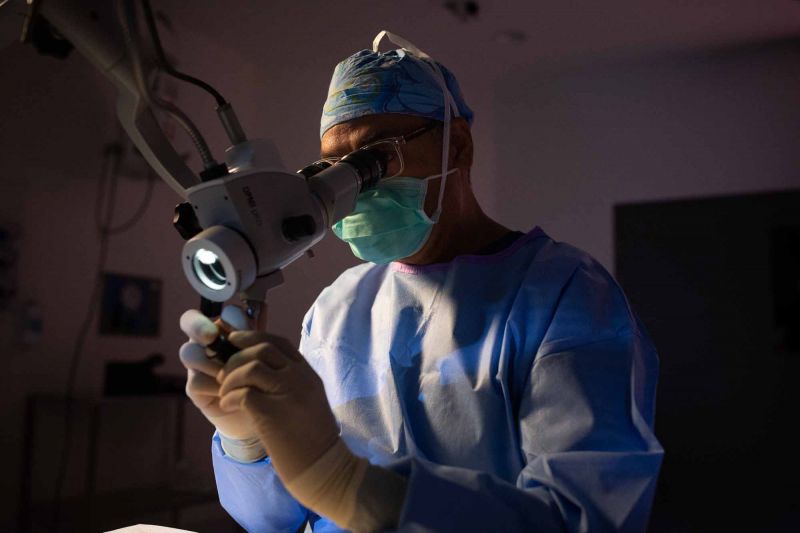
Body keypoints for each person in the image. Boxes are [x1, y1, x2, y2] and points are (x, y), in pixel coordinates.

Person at [178, 31, 664, 533]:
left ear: (459, 146)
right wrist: (247, 439)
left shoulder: (565, 294)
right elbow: (271, 522)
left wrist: (351, 487)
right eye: (333, 167)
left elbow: (583, 519)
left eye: (374, 158)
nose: (353, 189)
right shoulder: (336, 308)